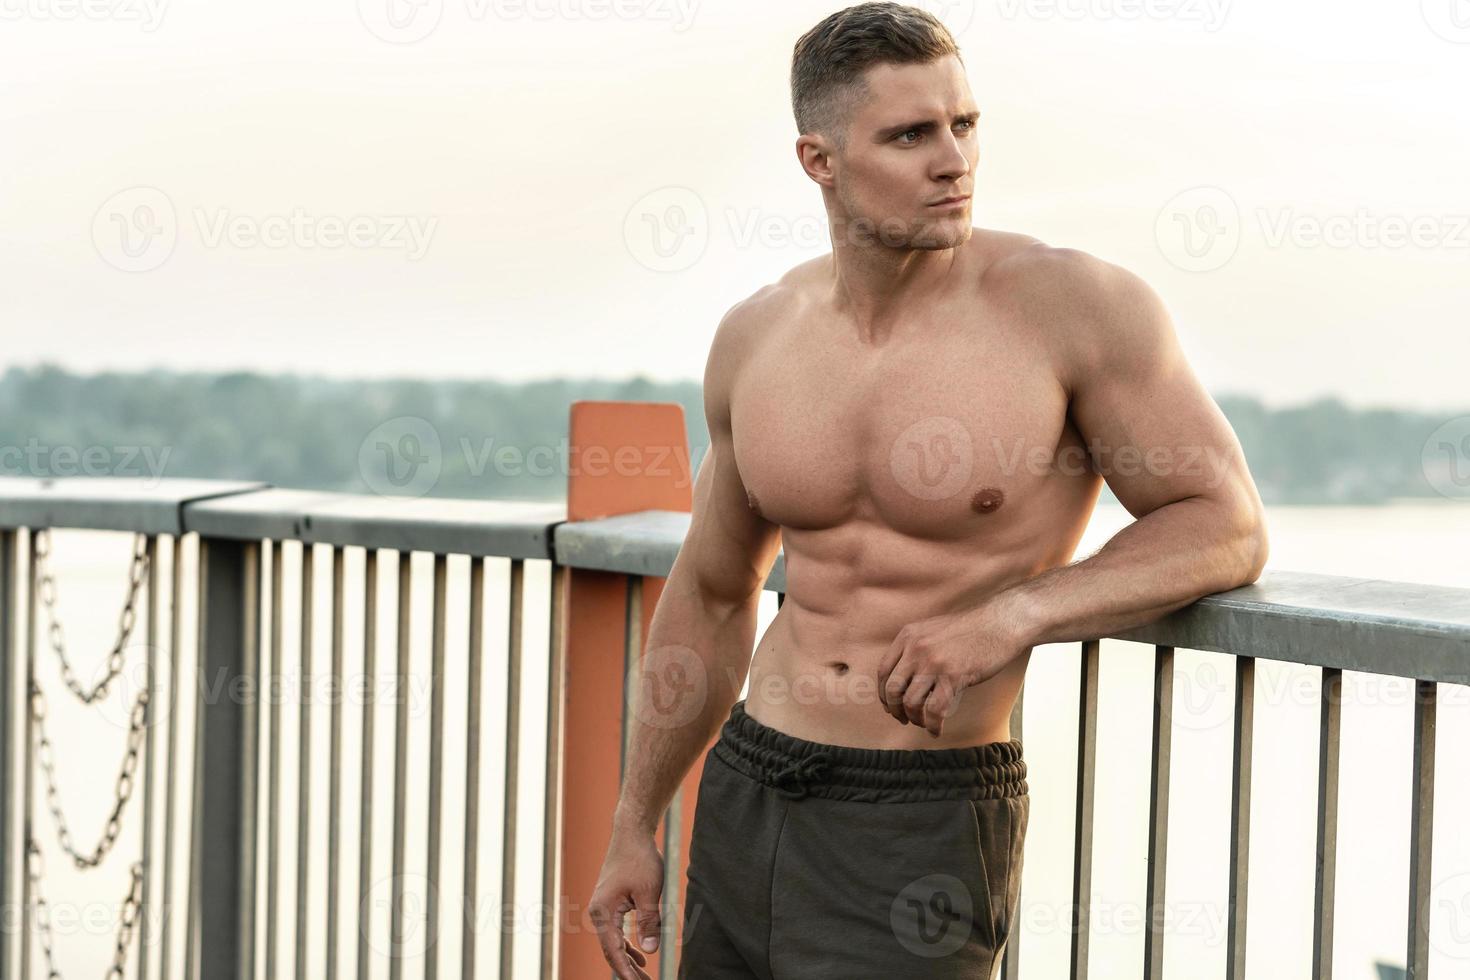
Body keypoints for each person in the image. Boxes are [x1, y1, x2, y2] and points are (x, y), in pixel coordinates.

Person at [589, 3, 1270, 977]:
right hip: (748, 780)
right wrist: (634, 819)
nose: (953, 158)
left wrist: (1014, 613)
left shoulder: (1069, 307)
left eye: (965, 124)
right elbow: (711, 590)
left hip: (919, 808)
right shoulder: (760, 335)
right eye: (910, 135)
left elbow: (1225, 526)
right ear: (818, 160)